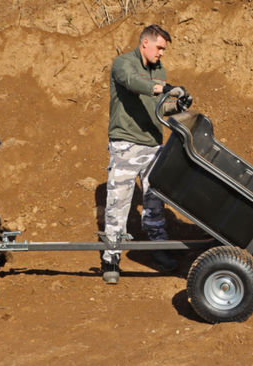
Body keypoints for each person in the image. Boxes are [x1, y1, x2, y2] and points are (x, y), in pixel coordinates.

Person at [102, 24, 193, 284]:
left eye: (164, 49)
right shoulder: (123, 63)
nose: (162, 53)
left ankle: (158, 250)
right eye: (159, 47)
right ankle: (111, 257)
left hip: (153, 145)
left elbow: (158, 107)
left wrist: (177, 104)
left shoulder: (159, 70)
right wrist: (164, 88)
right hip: (125, 144)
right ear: (145, 43)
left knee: (155, 201)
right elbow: (134, 83)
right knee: (118, 204)